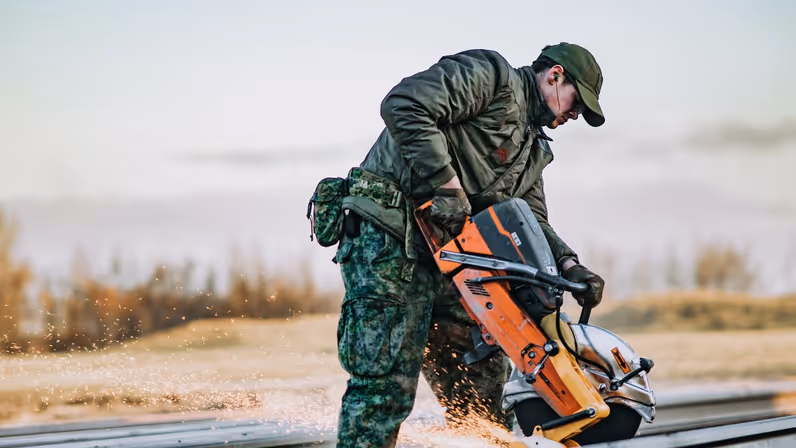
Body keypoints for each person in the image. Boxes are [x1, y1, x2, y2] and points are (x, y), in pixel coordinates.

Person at [327, 42, 607, 447]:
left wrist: (568, 265)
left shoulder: (533, 150)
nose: (574, 115)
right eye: (576, 104)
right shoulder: (491, 76)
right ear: (555, 74)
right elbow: (404, 104)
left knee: (481, 393)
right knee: (384, 390)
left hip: (450, 260)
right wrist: (446, 183)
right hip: (389, 241)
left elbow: (530, 219)